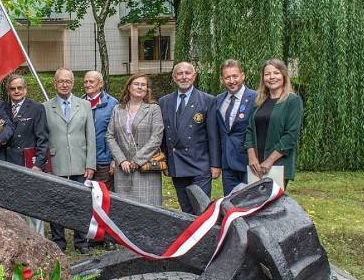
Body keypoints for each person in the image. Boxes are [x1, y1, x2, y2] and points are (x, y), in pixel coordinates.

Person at [44, 68, 95, 253]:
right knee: (56, 203)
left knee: (80, 203)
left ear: (73, 84)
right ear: (55, 83)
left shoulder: (85, 105)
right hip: (56, 162)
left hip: (80, 163)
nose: (64, 84)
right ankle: (59, 241)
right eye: (61, 81)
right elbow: (43, 137)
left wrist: (90, 163)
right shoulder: (45, 107)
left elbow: (90, 136)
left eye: (68, 81)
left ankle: (81, 242)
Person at [158, 61, 220, 213]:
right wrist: (165, 161)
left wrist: (215, 164)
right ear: (174, 77)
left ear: (194, 76)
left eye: (187, 73)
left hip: (200, 164)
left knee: (202, 209)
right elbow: (164, 135)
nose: (184, 77)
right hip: (176, 164)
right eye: (179, 73)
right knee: (186, 210)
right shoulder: (164, 101)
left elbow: (213, 135)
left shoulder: (207, 100)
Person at [106, 73, 164, 206]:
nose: (140, 87)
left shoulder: (153, 109)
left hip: (145, 168)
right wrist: (121, 160)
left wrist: (137, 160)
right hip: (123, 170)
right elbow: (110, 136)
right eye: (136, 84)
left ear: (147, 89)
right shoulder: (117, 109)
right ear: (129, 87)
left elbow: (156, 138)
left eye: (143, 85)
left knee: (148, 209)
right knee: (125, 209)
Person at [244, 59, 304, 188]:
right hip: (256, 164)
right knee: (253, 200)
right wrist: (252, 157)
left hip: (278, 164)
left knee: (273, 201)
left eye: (276, 73)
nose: (271, 77)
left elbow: (290, 136)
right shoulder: (259, 101)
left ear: (284, 75)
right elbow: (250, 130)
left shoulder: (292, 101)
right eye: (267, 74)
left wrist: (269, 161)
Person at [2, 74, 50, 235]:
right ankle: (20, 239)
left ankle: (39, 240)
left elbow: (43, 139)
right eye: (12, 89)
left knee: (34, 205)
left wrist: (39, 164)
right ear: (8, 91)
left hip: (30, 164)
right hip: (9, 163)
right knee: (14, 206)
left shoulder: (36, 108)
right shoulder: (3, 108)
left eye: (19, 88)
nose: (16, 91)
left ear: (25, 89)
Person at [209, 59, 257, 196]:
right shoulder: (218, 100)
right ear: (222, 80)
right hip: (228, 164)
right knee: (230, 203)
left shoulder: (256, 98)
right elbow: (217, 133)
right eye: (227, 77)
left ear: (243, 75)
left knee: (251, 203)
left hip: (250, 162)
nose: (231, 81)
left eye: (235, 76)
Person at [82, 71, 118, 191]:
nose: (87, 84)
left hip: (104, 161)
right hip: (83, 161)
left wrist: (114, 159)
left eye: (91, 81)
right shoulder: (79, 103)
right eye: (85, 82)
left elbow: (117, 133)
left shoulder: (112, 104)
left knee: (103, 196)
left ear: (101, 83)